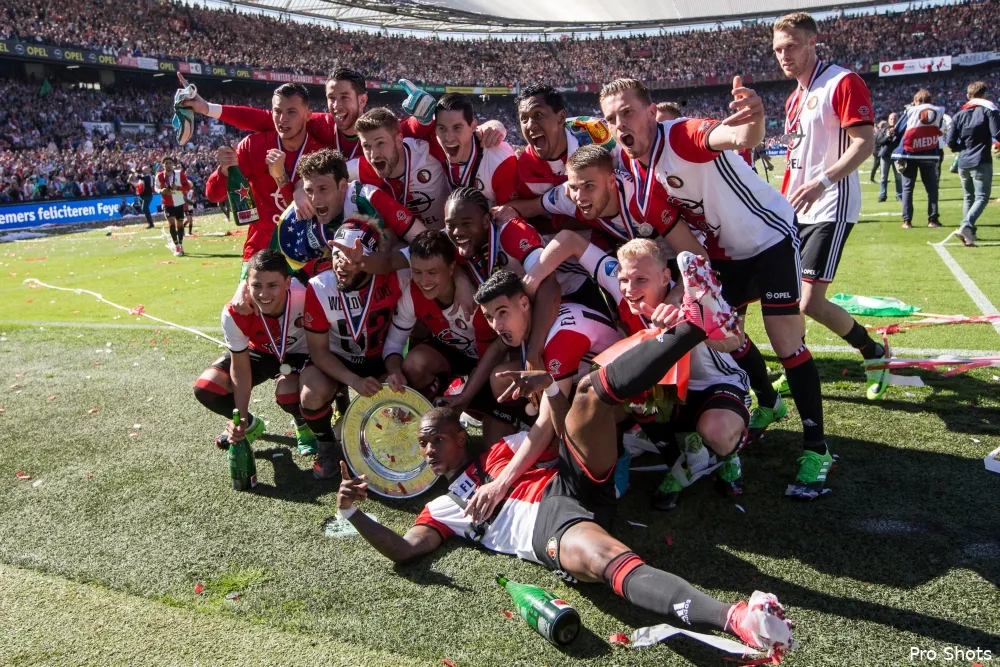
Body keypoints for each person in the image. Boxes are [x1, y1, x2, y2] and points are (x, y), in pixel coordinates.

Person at [334, 408, 794, 661]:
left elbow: (553, 430)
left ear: (460, 437)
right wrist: (352, 512)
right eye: (423, 443)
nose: (429, 448)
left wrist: (551, 395)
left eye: (437, 438)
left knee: (587, 400)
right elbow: (405, 550)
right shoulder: (441, 508)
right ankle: (736, 618)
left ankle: (657, 386)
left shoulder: (500, 452)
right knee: (605, 563)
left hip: (573, 488)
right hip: (549, 529)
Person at [599, 77, 834, 500]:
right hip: (726, 257)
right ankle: (768, 401)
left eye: (627, 112)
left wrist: (753, 121)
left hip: (771, 238)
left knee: (785, 340)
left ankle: (817, 449)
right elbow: (696, 257)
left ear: (651, 111)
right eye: (611, 118)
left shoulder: (683, 136)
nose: (620, 123)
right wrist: (679, 299)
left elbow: (737, 134)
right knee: (722, 335)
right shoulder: (643, 182)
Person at [523, 235, 748, 511]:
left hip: (716, 385)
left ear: (666, 277)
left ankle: (727, 454)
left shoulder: (693, 293)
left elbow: (736, 339)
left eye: (641, 280)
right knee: (621, 393)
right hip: (669, 391)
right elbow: (571, 240)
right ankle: (679, 460)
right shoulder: (624, 287)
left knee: (719, 435)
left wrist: (691, 330)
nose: (629, 289)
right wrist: (531, 281)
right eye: (624, 280)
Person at [771, 11, 889, 402]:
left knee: (810, 301)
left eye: (791, 46)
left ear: (811, 43)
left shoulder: (843, 81)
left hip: (831, 205)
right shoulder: (793, 98)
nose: (783, 55)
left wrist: (821, 183)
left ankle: (874, 353)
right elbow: (795, 159)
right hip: (796, 210)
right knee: (787, 299)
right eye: (777, 49)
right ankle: (795, 364)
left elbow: (863, 143)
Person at [300, 220, 412, 480]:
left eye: (351, 256)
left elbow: (430, 248)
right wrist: (353, 380)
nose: (340, 262)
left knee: (403, 402)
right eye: (337, 254)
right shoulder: (319, 286)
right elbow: (318, 351)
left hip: (382, 358)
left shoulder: (395, 275)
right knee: (311, 394)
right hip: (337, 359)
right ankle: (327, 445)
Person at [381, 230, 510, 446]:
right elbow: (393, 345)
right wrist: (394, 371)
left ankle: (470, 407)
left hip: (490, 363)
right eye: (417, 272)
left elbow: (493, 356)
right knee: (413, 364)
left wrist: (466, 396)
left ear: (452, 268)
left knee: (493, 447)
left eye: (432, 272)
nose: (424, 281)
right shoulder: (412, 294)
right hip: (454, 354)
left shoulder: (478, 298)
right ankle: (431, 415)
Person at [193, 249, 313, 453]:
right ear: (246, 284)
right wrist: (241, 416)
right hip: (260, 352)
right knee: (206, 387)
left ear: (287, 282)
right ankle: (249, 426)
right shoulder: (235, 311)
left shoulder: (306, 293)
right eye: (256, 285)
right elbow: (239, 367)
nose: (264, 294)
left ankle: (304, 425)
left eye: (272, 286)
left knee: (288, 394)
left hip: (298, 353)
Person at [204, 83, 326, 277]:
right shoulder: (252, 146)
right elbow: (213, 195)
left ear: (308, 115)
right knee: (242, 305)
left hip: (304, 254)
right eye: (277, 111)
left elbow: (305, 213)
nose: (282, 119)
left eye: (292, 112)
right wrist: (223, 171)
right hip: (259, 251)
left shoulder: (320, 155)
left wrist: (281, 177)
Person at [271, 148, 427, 275]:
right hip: (287, 255)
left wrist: (386, 254)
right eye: (308, 191)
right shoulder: (304, 207)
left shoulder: (370, 199)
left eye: (323, 189)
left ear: (343, 186)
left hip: (318, 266)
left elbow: (424, 240)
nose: (315, 199)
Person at [350, 108, 451, 230]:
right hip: (407, 245)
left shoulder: (427, 150)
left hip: (450, 237)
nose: (373, 155)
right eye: (366, 146)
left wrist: (481, 129)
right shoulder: (362, 168)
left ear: (398, 141)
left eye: (380, 143)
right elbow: (327, 174)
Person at [515, 84, 618, 197]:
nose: (530, 125)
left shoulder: (599, 135)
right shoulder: (525, 165)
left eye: (538, 114)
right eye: (524, 119)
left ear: (560, 117)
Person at [428, 93, 518, 205]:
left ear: (473, 126)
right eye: (442, 128)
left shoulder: (499, 160)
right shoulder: (433, 146)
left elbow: (509, 214)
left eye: (457, 128)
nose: (449, 138)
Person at [947, 81, 1000, 246]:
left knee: (968, 197)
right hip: (981, 159)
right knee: (982, 197)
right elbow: (997, 133)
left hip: (963, 161)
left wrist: (960, 148)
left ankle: (969, 234)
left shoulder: (959, 114)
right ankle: (966, 226)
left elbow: (950, 142)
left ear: (968, 96)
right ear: (984, 95)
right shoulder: (988, 110)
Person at [892, 89, 945, 229]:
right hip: (930, 153)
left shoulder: (911, 110)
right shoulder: (939, 110)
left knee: (908, 188)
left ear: (916, 100)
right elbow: (939, 126)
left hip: (910, 153)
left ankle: (907, 221)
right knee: (932, 189)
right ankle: (932, 220)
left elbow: (898, 129)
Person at [155, 156, 190, 257]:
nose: (168, 165)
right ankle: (176, 245)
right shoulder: (159, 176)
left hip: (179, 202)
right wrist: (161, 191)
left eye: (170, 163)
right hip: (167, 203)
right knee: (171, 224)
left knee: (180, 225)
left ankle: (181, 243)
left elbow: (187, 186)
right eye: (166, 163)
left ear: (173, 165)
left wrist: (178, 188)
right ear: (163, 165)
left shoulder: (179, 174)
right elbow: (156, 187)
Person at [875, 113, 903, 203]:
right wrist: (887, 136)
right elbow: (879, 142)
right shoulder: (883, 130)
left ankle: (899, 195)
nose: (893, 120)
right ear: (888, 120)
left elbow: (903, 141)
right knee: (883, 177)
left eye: (895, 119)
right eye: (891, 119)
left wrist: (896, 134)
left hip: (897, 156)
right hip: (886, 156)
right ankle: (882, 195)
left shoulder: (901, 130)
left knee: (898, 177)